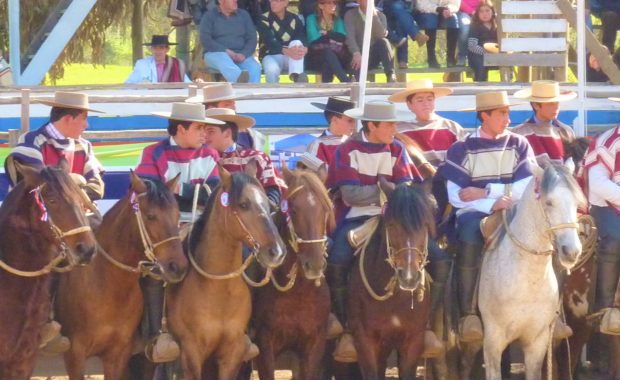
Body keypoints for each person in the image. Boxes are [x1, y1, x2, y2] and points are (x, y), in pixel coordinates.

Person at [4, 91, 106, 354]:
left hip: (75, 218)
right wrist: (74, 186)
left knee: (109, 247)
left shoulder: (84, 146)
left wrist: (71, 189)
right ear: (69, 118)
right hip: (33, 222)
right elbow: (39, 184)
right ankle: (45, 319)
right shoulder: (33, 141)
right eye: (84, 118)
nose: (86, 125)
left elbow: (97, 185)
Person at [437, 91, 536, 342]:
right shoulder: (461, 148)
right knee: (470, 237)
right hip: (474, 212)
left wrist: (487, 191)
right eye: (502, 113)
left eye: (507, 112)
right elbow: (457, 195)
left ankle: (552, 312)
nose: (508, 118)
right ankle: (468, 313)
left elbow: (527, 186)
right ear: (484, 115)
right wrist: (491, 204)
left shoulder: (519, 144)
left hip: (512, 209)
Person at [327, 100, 420, 362]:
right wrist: (388, 192)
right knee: (336, 259)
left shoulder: (398, 148)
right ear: (372, 125)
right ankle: (344, 325)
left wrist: (389, 193)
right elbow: (351, 194)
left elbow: (406, 187)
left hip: (397, 218)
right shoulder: (346, 150)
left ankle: (432, 325)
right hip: (356, 219)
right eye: (389, 124)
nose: (394, 128)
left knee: (437, 257)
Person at [135, 102, 223, 363]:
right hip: (163, 228)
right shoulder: (153, 153)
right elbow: (150, 196)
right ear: (181, 128)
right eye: (199, 128)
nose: (204, 134)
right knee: (151, 270)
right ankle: (154, 334)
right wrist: (190, 194)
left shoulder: (211, 155)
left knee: (240, 257)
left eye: (206, 129)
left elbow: (214, 194)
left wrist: (177, 193)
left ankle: (242, 329)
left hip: (202, 224)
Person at [389, 79, 464, 357]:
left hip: (448, 199)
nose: (426, 103)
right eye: (419, 100)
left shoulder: (452, 128)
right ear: (409, 104)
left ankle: (454, 313)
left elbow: (461, 164)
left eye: (430, 98)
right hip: (413, 205)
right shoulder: (400, 132)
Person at [583, 98, 620, 336]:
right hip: (607, 206)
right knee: (615, 240)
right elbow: (596, 183)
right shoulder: (608, 141)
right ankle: (605, 309)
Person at [204, 107, 282, 206]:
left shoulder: (257, 158)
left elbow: (273, 190)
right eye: (203, 131)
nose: (204, 136)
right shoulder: (201, 160)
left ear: (227, 133)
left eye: (210, 131)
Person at [512, 80, 577, 168]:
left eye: (557, 102)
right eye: (551, 103)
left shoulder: (567, 132)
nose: (556, 107)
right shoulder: (520, 133)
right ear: (536, 105)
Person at [186, 83, 267, 151]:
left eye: (234, 104)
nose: (234, 108)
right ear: (211, 108)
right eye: (227, 105)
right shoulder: (196, 135)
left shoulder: (250, 135)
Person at [199, 0, 262, 83]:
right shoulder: (209, 16)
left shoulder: (244, 15)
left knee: (255, 68)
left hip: (240, 55)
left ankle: (252, 93)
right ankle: (240, 84)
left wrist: (244, 54)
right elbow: (205, 40)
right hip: (215, 54)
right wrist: (226, 51)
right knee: (224, 59)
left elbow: (252, 38)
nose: (236, 0)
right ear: (221, 1)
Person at [257, 0, 309, 83]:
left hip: (291, 57)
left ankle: (297, 76)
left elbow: (301, 36)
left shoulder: (294, 18)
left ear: (286, 3)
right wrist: (286, 50)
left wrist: (305, 48)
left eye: (277, 1)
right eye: (271, 1)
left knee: (297, 43)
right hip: (271, 55)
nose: (273, 3)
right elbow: (269, 41)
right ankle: (273, 93)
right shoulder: (264, 19)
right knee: (271, 70)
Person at [344, 0, 395, 82]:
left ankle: (390, 75)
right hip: (357, 55)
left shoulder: (381, 16)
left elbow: (381, 34)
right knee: (356, 80)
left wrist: (373, 14)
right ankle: (354, 82)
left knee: (384, 42)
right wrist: (356, 52)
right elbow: (350, 37)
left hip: (372, 55)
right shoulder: (350, 15)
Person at [306, 0, 351, 83]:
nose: (333, 5)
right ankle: (346, 81)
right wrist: (333, 39)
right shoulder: (311, 19)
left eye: (334, 3)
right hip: (316, 57)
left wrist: (326, 33)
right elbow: (314, 40)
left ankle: (327, 91)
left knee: (328, 62)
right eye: (329, 3)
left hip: (336, 57)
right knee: (327, 53)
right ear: (321, 5)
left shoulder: (338, 20)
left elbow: (342, 38)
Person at [307, 96, 356, 170]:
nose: (354, 124)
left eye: (354, 121)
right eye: (350, 121)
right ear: (335, 120)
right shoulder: (316, 146)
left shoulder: (356, 144)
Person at [380, 0, 429, 69]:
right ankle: (416, 35)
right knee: (399, 12)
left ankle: (402, 60)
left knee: (400, 17)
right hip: (389, 9)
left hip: (410, 8)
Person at [125, 35, 191, 84]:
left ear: (167, 49)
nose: (157, 51)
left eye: (161, 47)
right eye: (155, 47)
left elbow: (187, 84)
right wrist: (140, 85)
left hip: (170, 100)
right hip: (148, 100)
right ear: (151, 49)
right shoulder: (142, 64)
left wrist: (197, 82)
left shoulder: (176, 64)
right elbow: (127, 85)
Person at [415, 0, 460, 68]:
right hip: (426, 11)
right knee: (430, 20)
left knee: (453, 19)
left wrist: (448, 9)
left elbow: (455, 4)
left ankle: (450, 58)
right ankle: (431, 57)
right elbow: (421, 4)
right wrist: (437, 9)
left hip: (445, 12)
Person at [466, 0, 497, 82]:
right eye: (481, 11)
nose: (484, 14)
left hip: (494, 53)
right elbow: (472, 46)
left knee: (506, 62)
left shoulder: (497, 26)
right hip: (477, 54)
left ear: (492, 12)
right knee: (481, 67)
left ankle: (506, 85)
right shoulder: (475, 26)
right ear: (477, 13)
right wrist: (486, 53)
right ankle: (479, 88)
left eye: (487, 11)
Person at [456, 0, 481, 66]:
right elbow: (459, 2)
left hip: (480, 11)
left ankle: (478, 56)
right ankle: (463, 56)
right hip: (463, 12)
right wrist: (472, 11)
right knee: (465, 29)